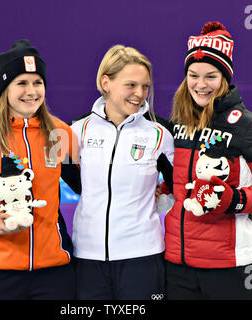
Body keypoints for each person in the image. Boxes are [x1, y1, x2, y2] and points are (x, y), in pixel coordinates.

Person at [162, 21, 252, 300]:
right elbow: (179, 184)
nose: (200, 84)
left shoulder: (251, 127)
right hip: (177, 267)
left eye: (211, 76)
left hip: (231, 270)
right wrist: (164, 188)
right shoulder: (178, 123)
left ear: (225, 78)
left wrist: (235, 200)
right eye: (193, 75)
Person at [0, 40, 77, 300]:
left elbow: (84, 185)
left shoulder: (58, 133)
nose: (31, 91)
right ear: (6, 87)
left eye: (37, 82)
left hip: (56, 272)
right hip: (3, 274)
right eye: (22, 83)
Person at [67, 45, 174, 300]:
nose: (140, 94)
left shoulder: (161, 133)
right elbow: (56, 179)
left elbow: (181, 186)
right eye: (131, 85)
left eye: (145, 86)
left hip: (143, 258)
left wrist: (161, 200)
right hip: (88, 258)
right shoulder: (73, 130)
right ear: (106, 82)